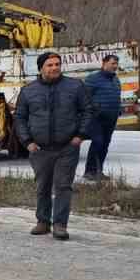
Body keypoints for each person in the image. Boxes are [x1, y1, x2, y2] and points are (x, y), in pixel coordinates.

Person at [14, 51, 95, 240]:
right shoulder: (28, 91)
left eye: (57, 64)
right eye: (50, 65)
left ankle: (60, 225)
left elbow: (88, 110)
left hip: (67, 147)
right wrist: (27, 141)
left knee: (63, 186)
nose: (55, 68)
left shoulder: (75, 87)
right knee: (42, 186)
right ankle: (43, 222)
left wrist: (80, 135)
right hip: (40, 149)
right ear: (41, 68)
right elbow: (20, 118)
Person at [82, 53, 122, 181]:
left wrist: (118, 109)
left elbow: (116, 96)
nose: (115, 66)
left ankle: (99, 171)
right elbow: (84, 98)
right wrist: (95, 109)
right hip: (96, 118)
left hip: (111, 118)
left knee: (105, 144)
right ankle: (89, 171)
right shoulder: (93, 79)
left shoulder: (116, 80)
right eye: (112, 63)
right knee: (98, 142)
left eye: (116, 64)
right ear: (104, 64)